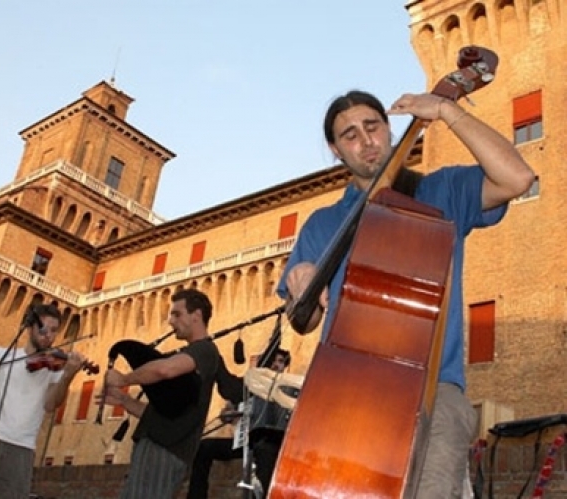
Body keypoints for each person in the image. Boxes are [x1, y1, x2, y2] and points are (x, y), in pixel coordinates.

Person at [278, 89, 534, 498]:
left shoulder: (442, 191)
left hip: (436, 389)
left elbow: (517, 178)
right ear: (336, 149)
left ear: (389, 127)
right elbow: (303, 322)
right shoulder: (322, 225)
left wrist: (447, 111)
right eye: (350, 135)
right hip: (344, 397)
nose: (366, 141)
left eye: (372, 126)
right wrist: (301, 291)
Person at [0, 303, 87, 499]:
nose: (49, 335)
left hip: (21, 447)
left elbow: (50, 405)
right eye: (44, 328)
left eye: (54, 330)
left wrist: (68, 376)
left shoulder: (54, 367)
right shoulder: (4, 355)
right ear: (30, 328)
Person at [101, 288, 220, 499]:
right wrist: (123, 400)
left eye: (177, 314)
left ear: (197, 316)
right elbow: (162, 416)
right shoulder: (192, 358)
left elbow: (164, 370)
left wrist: (125, 379)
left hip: (164, 451)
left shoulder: (204, 350)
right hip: (159, 448)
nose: (171, 321)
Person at [186, 348, 291, 499]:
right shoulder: (250, 387)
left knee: (265, 449)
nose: (276, 365)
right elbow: (226, 413)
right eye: (273, 360)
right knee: (204, 447)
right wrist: (228, 415)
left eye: (280, 361)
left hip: (272, 444)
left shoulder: (289, 390)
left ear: (285, 366)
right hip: (246, 442)